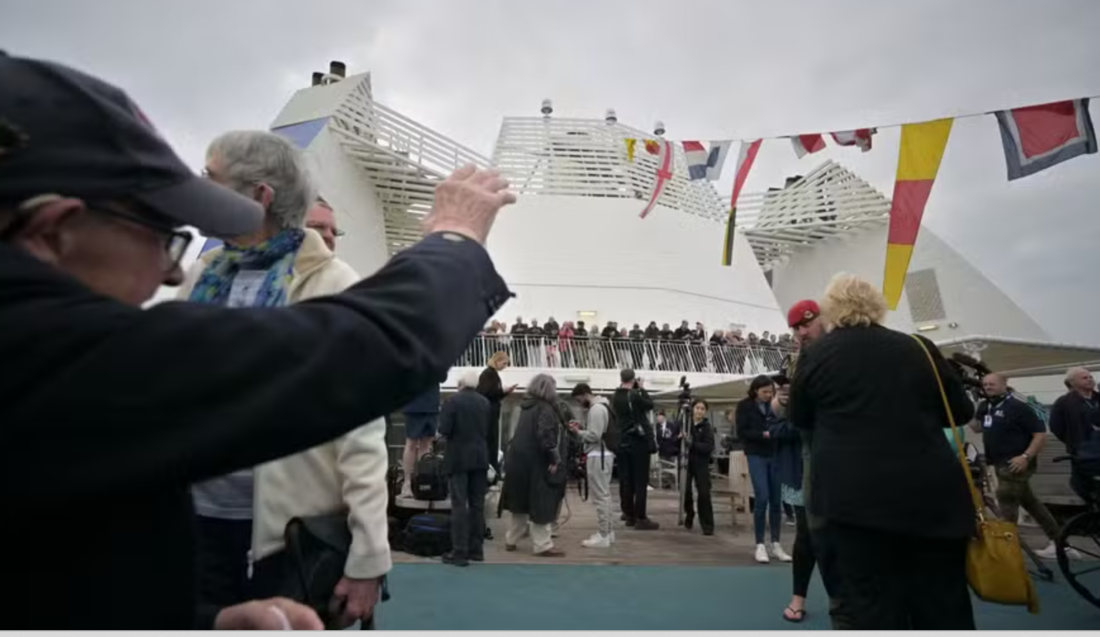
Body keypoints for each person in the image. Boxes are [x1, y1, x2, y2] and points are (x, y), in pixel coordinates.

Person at [0, 53, 514, 629]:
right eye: (162, 236)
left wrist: (198, 621)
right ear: (50, 233)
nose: (172, 276)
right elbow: (359, 354)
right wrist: (456, 238)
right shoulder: (47, 358)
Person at [182, 130, 390, 626]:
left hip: (282, 538)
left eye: (211, 177)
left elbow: (360, 430)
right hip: (189, 521)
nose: (198, 184)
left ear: (260, 196)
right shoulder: (202, 273)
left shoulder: (335, 286)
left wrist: (369, 556)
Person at [788, 273, 975, 630]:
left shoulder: (816, 357)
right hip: (932, 502)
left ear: (831, 311)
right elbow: (961, 412)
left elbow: (800, 418)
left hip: (856, 506)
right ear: (877, 306)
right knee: (943, 606)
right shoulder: (920, 348)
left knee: (872, 608)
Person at [970, 373, 1065, 558]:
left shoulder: (1018, 407)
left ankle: (1007, 550)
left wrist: (1025, 457)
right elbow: (977, 427)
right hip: (997, 462)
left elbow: (1040, 435)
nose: (988, 387)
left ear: (1004, 384)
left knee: (1006, 500)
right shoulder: (986, 405)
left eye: (992, 384)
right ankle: (1060, 542)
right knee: (1030, 502)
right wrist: (963, 410)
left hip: (1016, 462)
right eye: (985, 384)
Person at [500, 374, 570, 556]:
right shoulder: (545, 408)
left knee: (519, 503)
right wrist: (554, 459)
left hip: (518, 462)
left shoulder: (525, 408)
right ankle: (542, 545)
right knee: (542, 503)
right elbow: (545, 435)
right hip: (536, 463)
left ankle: (511, 539)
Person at [771, 377, 814, 623]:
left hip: (838, 472)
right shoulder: (786, 408)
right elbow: (775, 430)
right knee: (807, 536)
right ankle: (798, 598)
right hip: (801, 475)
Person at [438, 371, 491, 567]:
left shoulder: (452, 401)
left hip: (458, 458)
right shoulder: (485, 403)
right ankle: (476, 550)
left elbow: (444, 430)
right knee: (477, 505)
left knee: (459, 505)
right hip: (480, 457)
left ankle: (459, 552)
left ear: (460, 384)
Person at [736, 375, 791, 563]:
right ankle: (760, 544)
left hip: (775, 454)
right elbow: (742, 432)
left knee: (777, 498)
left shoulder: (775, 406)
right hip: (756, 454)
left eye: (770, 391)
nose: (768, 395)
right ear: (755, 390)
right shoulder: (745, 405)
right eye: (765, 392)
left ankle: (776, 543)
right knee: (762, 496)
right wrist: (764, 434)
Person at [570, 383, 616, 548]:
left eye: (578, 399)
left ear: (584, 395)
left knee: (600, 497)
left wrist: (578, 432)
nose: (579, 403)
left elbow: (594, 436)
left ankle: (603, 534)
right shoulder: (604, 407)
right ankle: (608, 532)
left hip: (598, 455)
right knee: (606, 495)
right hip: (605, 454)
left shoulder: (596, 409)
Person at [612, 369, 659, 530]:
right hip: (638, 442)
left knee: (627, 480)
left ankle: (629, 515)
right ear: (633, 379)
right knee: (640, 481)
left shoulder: (615, 397)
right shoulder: (635, 395)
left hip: (622, 442)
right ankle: (641, 517)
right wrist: (641, 388)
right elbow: (650, 404)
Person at [1050, 367, 1100, 501]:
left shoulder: (1098, 398)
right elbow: (1056, 426)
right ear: (1072, 382)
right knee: (1081, 485)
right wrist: (1072, 441)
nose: (1090, 379)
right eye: (1084, 378)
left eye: (1090, 377)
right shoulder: (1064, 402)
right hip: (1081, 454)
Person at [478, 351, 517, 480]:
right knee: (491, 442)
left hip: (492, 411)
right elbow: (486, 392)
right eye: (504, 363)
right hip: (489, 413)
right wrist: (502, 391)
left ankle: (492, 470)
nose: (505, 366)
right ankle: (491, 471)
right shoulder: (488, 374)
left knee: (493, 443)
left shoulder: (492, 374)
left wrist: (504, 393)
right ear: (497, 360)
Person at [399, 385, 442, 499]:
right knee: (411, 443)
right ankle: (407, 483)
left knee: (426, 445)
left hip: (431, 404)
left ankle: (423, 480)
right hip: (414, 404)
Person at [682, 398, 716, 536]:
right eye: (697, 408)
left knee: (704, 494)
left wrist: (693, 444)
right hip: (686, 462)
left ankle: (707, 525)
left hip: (701, 464)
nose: (699, 411)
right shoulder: (686, 424)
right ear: (693, 409)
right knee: (686, 492)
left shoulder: (707, 427)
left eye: (702, 409)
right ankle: (689, 514)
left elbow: (708, 447)